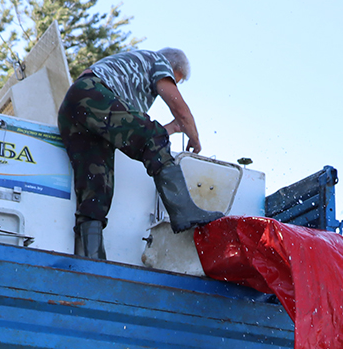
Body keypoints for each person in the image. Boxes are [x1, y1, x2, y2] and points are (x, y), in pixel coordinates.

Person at [57, 47, 224, 259]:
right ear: (172, 68)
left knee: (96, 185)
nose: (172, 85)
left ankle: (91, 261)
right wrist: (194, 138)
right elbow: (177, 108)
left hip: (73, 108)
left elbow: (135, 133)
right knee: (153, 138)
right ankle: (185, 212)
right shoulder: (158, 61)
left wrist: (171, 128)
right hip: (93, 93)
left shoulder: (129, 72)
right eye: (175, 80)